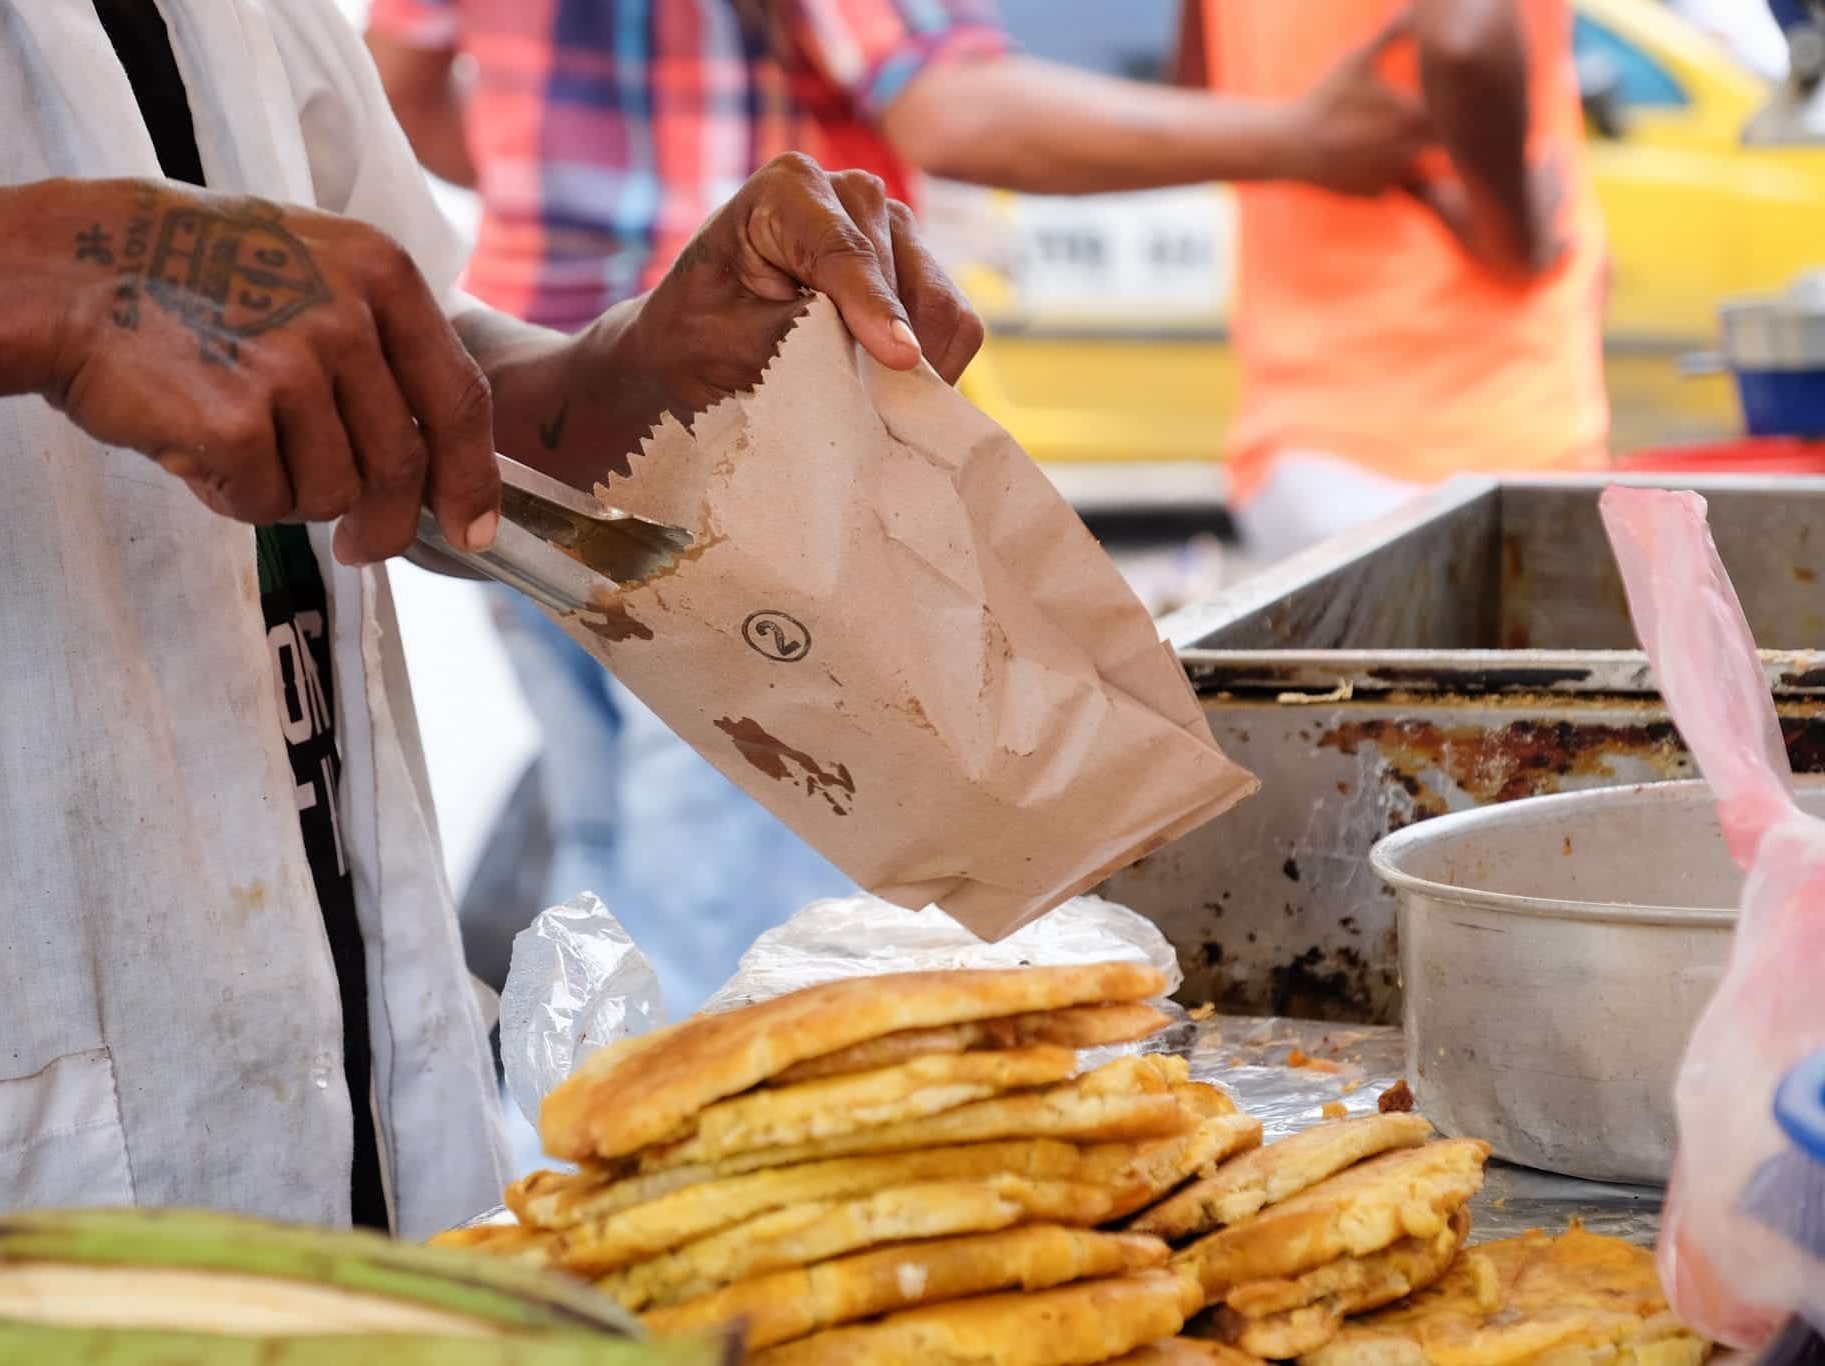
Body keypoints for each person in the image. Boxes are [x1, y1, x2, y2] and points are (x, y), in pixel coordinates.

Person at [0, 0, 979, 1271]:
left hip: (342, 1122)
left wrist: (635, 377)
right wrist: (39, 275)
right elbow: (126, 283)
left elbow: (394, 377)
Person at [365, 0, 1436, 1010]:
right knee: (745, 934)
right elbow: (947, 105)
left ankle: (600, 1159)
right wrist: (1302, 139)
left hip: (508, 416)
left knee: (606, 872)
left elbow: (401, 87)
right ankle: (722, 1185)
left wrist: (561, 181)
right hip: (740, 435)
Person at [1187, 0, 1610, 563]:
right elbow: (1468, 36)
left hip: (1297, 446)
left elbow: (1198, 78)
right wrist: (1514, 235)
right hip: (1488, 430)